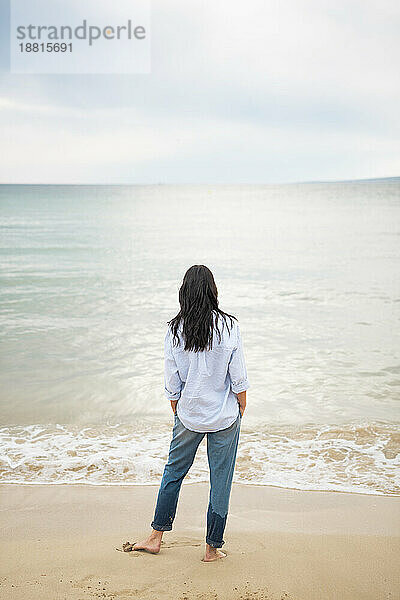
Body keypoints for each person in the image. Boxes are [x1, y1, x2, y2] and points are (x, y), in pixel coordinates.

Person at [133, 265, 250, 562]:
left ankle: (155, 537)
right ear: (213, 290)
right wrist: (241, 403)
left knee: (173, 473)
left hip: (189, 414)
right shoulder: (229, 326)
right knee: (220, 479)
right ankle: (212, 548)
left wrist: (176, 404)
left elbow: (172, 378)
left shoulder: (175, 329)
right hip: (224, 415)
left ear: (184, 292)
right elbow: (238, 375)